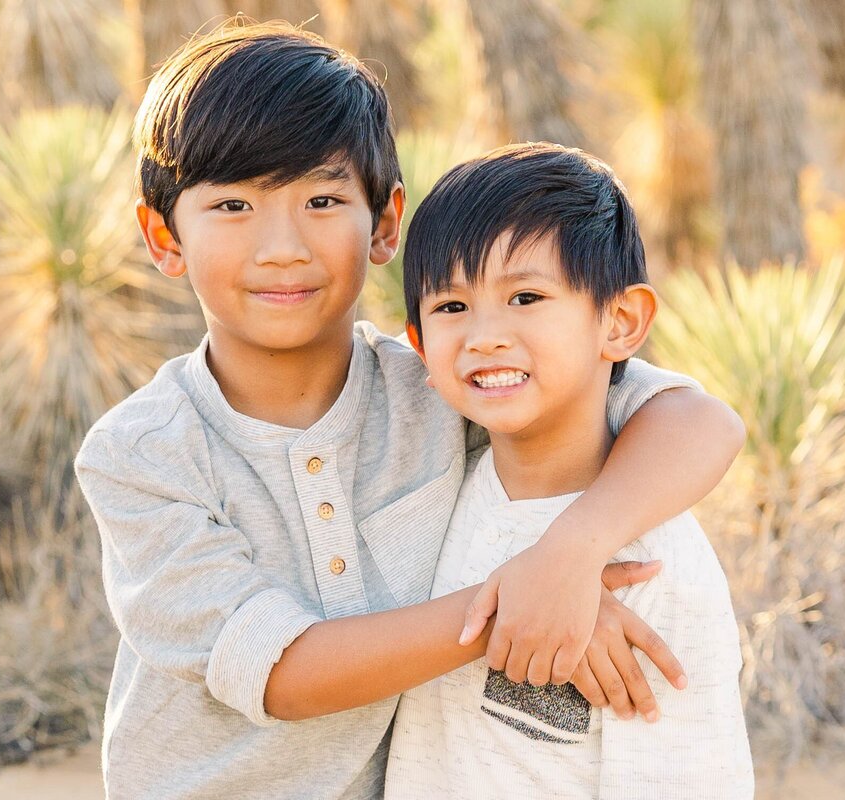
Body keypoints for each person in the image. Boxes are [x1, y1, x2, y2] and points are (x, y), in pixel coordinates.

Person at [74, 21, 745, 800]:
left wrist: (569, 553)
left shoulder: (441, 384)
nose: (282, 246)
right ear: (164, 237)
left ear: (386, 223)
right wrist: (519, 610)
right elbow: (280, 673)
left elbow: (699, 422)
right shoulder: (142, 453)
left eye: (323, 199)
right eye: (232, 206)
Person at [385, 143, 753, 799]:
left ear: (620, 321)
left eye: (525, 296)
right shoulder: (442, 481)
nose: (485, 336)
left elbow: (685, 775)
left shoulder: (649, 562)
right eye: (450, 307)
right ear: (418, 345)